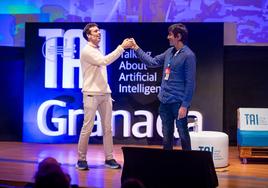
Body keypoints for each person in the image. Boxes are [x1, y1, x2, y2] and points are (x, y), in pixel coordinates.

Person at [130, 23, 196, 150]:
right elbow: (152, 62)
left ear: (178, 36)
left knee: (183, 133)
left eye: (170, 35)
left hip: (178, 102)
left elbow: (190, 83)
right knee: (166, 134)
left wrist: (184, 105)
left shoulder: (188, 56)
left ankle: (189, 163)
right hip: (164, 101)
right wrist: (136, 48)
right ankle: (167, 162)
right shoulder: (169, 52)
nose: (168, 37)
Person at [77, 23, 132, 170]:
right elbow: (104, 61)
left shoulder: (96, 49)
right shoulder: (87, 51)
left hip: (105, 94)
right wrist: (122, 47)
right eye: (95, 31)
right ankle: (81, 159)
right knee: (87, 128)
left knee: (108, 129)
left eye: (99, 31)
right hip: (91, 94)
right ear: (88, 35)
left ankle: (109, 158)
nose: (98, 33)